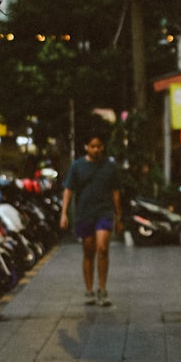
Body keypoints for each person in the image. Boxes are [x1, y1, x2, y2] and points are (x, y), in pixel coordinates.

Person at [60, 131, 122, 306]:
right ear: (86, 147)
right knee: (89, 252)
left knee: (102, 248)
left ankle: (102, 289)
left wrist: (119, 216)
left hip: (104, 212)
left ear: (103, 147)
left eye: (99, 146)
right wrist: (64, 213)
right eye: (92, 146)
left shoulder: (110, 167)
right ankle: (89, 290)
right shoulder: (77, 166)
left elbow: (116, 192)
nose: (96, 149)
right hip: (84, 214)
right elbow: (68, 191)